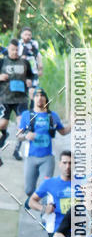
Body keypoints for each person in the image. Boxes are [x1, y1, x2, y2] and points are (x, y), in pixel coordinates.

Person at [17, 88, 70, 208]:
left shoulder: (52, 116)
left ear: (46, 99)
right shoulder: (27, 115)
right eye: (37, 95)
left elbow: (63, 131)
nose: (39, 98)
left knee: (45, 187)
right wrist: (26, 136)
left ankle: (45, 214)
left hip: (47, 158)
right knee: (28, 189)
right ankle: (32, 200)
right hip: (31, 157)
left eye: (42, 95)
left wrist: (73, 123)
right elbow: (19, 135)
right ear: (33, 99)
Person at [0, 39, 34, 167]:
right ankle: (4, 135)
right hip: (5, 99)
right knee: (2, 124)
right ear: (8, 49)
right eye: (12, 49)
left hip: (21, 99)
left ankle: (18, 152)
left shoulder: (25, 62)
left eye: (16, 50)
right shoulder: (2, 61)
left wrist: (30, 83)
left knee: (22, 127)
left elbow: (31, 75)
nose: (14, 52)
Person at [14, 28, 43, 160]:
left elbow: (38, 55)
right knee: (23, 117)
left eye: (30, 34)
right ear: (21, 35)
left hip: (33, 77)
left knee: (32, 114)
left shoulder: (34, 44)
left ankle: (31, 147)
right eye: (26, 34)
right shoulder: (18, 45)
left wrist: (40, 66)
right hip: (21, 78)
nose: (28, 36)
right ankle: (17, 148)